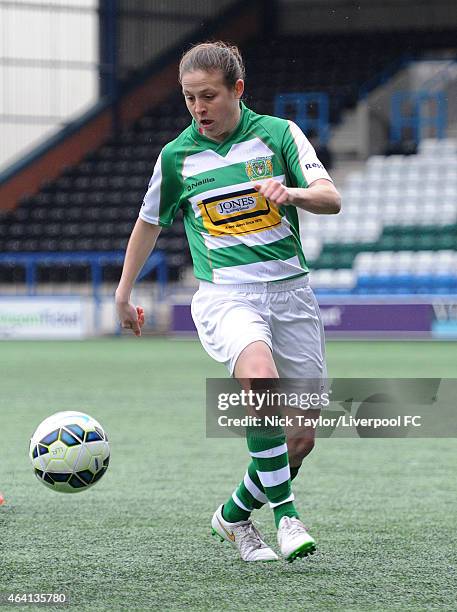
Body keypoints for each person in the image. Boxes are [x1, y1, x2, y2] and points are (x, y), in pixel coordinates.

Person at [115, 41, 341, 563]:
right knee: (259, 377)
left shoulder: (280, 135)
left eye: (209, 96)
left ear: (238, 90)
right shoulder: (177, 156)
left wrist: (291, 193)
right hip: (226, 296)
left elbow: (331, 198)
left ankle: (234, 516)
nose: (199, 108)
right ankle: (287, 518)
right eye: (189, 98)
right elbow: (149, 222)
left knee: (301, 439)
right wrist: (123, 293)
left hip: (291, 295)